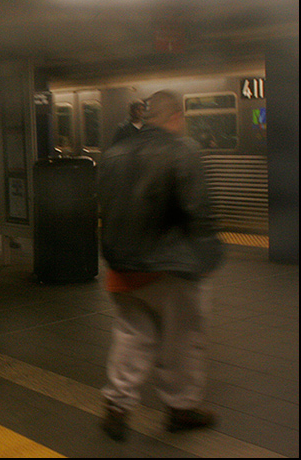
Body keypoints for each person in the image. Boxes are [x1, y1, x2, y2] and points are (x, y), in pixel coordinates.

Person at [97, 90, 224, 441]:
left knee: (130, 336)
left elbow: (104, 208)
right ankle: (181, 409)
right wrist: (209, 252)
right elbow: (197, 208)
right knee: (182, 340)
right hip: (172, 268)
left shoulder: (114, 154)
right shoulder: (183, 150)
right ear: (176, 117)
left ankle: (117, 405)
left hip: (123, 268)